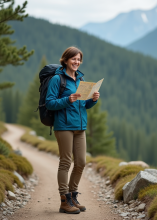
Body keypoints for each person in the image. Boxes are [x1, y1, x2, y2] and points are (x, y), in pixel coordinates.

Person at [45, 46, 100, 214]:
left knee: (81, 162)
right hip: (64, 126)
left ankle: (73, 197)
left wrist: (93, 100)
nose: (76, 62)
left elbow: (83, 104)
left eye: (79, 59)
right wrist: (67, 99)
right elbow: (50, 103)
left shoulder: (80, 80)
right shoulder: (57, 79)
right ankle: (64, 201)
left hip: (80, 126)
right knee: (66, 162)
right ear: (66, 60)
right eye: (73, 59)